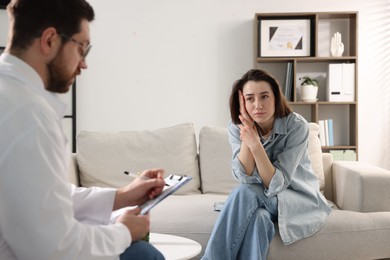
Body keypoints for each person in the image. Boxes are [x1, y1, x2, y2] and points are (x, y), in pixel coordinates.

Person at [0, 0, 166, 259]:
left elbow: (39, 196)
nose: (84, 64)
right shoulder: (29, 116)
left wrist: (121, 196)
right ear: (50, 40)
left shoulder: (11, 95)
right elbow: (55, 247)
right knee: (143, 254)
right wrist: (123, 232)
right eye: (82, 48)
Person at [202, 69, 331, 260]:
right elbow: (244, 176)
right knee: (259, 218)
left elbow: (276, 184)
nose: (257, 105)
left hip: (297, 197)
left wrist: (255, 143)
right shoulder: (235, 127)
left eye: (264, 97)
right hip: (260, 199)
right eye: (250, 99)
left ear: (276, 98)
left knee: (245, 192)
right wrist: (248, 131)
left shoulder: (297, 126)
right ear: (242, 103)